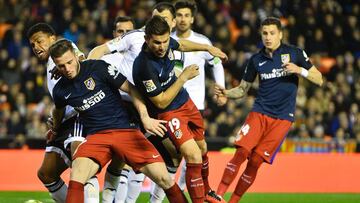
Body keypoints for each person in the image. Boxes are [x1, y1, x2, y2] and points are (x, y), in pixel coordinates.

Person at [49, 39, 188, 203]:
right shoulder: (60, 90)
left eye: (69, 62)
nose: (67, 69)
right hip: (96, 137)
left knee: (165, 179)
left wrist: (145, 118)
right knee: (76, 175)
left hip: (125, 131)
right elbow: (58, 111)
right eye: (61, 66)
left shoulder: (98, 68)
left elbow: (131, 89)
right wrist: (55, 130)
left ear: (75, 56)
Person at [214, 17, 323, 203]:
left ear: (280, 34)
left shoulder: (295, 53)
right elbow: (242, 89)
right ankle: (217, 194)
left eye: (272, 33)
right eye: (265, 33)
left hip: (282, 119)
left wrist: (299, 70)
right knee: (241, 152)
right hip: (259, 113)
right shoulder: (256, 60)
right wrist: (226, 93)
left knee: (255, 162)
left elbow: (319, 78)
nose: (268, 37)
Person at [132, 15, 227, 203]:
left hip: (186, 103)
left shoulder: (168, 44)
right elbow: (161, 102)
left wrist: (207, 48)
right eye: (157, 42)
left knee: (202, 149)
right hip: (169, 112)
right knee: (192, 155)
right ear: (147, 39)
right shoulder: (144, 67)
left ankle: (207, 191)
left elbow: (181, 45)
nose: (162, 47)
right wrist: (183, 77)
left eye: (165, 41)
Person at [27, 23, 99, 203]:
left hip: (79, 115)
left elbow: (80, 59)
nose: (36, 47)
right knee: (46, 173)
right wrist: (55, 123)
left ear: (53, 38)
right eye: (32, 44)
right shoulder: (50, 65)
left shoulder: (64, 47)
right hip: (64, 122)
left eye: (39, 41)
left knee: (81, 162)